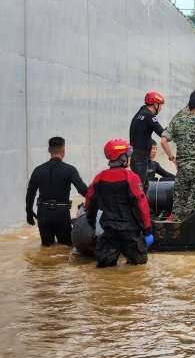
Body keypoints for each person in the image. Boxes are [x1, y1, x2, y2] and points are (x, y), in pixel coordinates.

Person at [85, 139, 153, 268]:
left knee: (106, 268)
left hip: (109, 230)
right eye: (128, 155)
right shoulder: (131, 178)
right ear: (123, 157)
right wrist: (147, 230)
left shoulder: (99, 178)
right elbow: (141, 205)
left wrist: (90, 219)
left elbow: (90, 202)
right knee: (135, 268)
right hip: (130, 232)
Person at [160, 93, 195, 222]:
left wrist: (171, 158)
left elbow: (163, 141)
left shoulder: (177, 122)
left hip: (182, 169)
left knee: (179, 203)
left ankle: (176, 232)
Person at [25, 137, 88, 246]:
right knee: (66, 248)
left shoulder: (38, 170)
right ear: (63, 150)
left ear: (49, 150)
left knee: (47, 248)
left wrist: (29, 212)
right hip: (61, 213)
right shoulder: (70, 170)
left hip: (43, 213)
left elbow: (30, 194)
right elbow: (83, 190)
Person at [129, 91, 166, 192]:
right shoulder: (149, 116)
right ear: (155, 104)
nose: (161, 108)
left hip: (137, 157)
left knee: (143, 186)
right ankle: (137, 208)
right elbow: (163, 133)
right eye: (160, 105)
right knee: (139, 189)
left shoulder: (140, 113)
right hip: (140, 159)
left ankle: (143, 207)